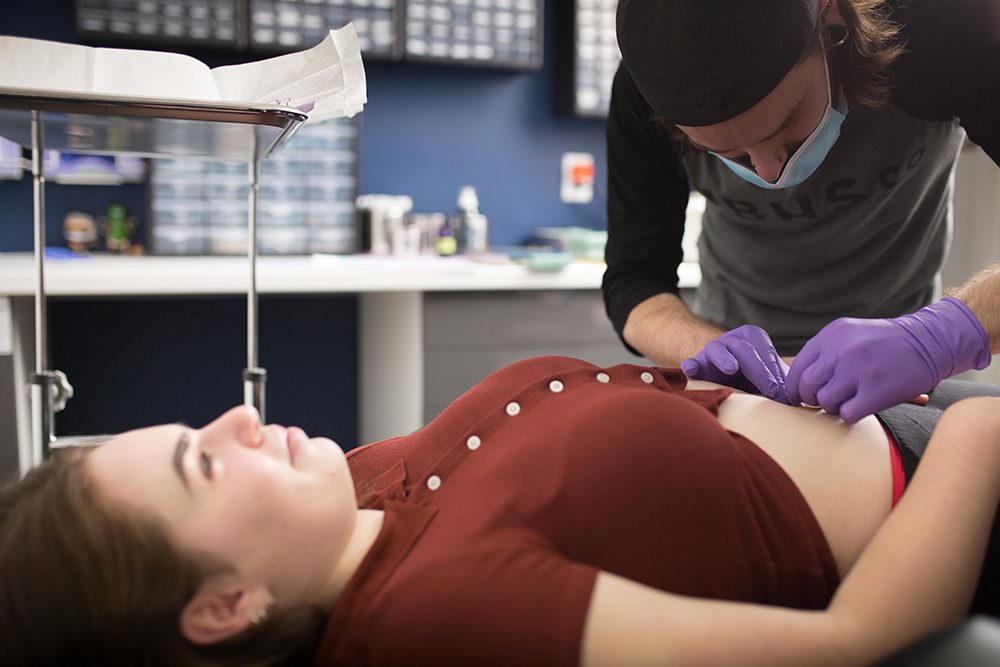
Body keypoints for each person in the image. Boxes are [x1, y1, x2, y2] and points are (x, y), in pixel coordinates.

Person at [3, 355, 1000, 666]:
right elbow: (861, 639)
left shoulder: (342, 500)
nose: (240, 417)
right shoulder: (434, 614)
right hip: (959, 493)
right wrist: (976, 432)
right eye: (202, 466)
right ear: (224, 606)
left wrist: (706, 377)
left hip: (897, 417)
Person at [604, 0, 1000, 422]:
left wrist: (937, 337)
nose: (770, 173)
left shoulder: (945, 25)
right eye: (728, 153)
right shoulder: (644, 90)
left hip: (896, 364)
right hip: (730, 363)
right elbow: (635, 279)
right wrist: (705, 350)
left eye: (787, 125)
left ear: (831, 19)